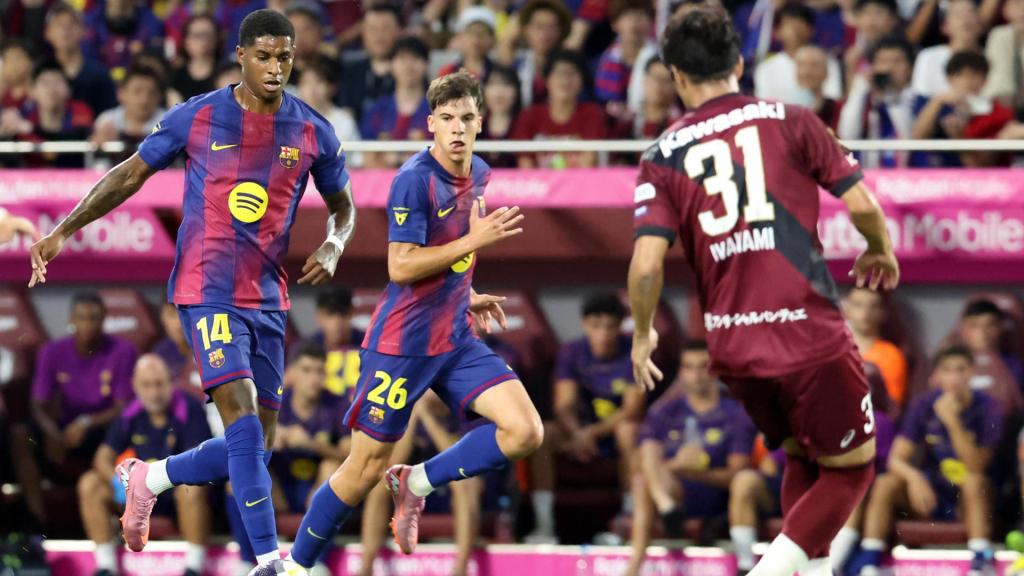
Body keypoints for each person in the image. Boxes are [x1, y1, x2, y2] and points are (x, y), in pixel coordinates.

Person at [28, 10, 357, 576]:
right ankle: (268, 562)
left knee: (254, 447)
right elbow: (130, 173)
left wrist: (334, 243)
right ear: (241, 56)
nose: (275, 67)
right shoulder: (199, 115)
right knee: (244, 425)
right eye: (264, 56)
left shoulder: (312, 131)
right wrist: (63, 230)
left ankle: (150, 476)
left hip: (268, 299)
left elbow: (344, 207)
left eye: (284, 57)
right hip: (205, 288)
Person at [629, 9, 899, 576]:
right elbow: (863, 206)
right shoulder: (792, 119)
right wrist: (879, 249)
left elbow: (647, 264)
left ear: (676, 75)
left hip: (733, 347)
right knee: (852, 470)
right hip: (806, 334)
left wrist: (644, 332)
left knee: (805, 456)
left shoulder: (660, 155)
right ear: (739, 62)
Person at [284, 70, 543, 570]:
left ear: (481, 122)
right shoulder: (413, 180)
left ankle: (416, 482)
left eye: (466, 117)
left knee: (525, 431)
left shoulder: (480, 172)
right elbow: (400, 266)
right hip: (401, 345)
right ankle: (295, 565)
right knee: (363, 468)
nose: (457, 128)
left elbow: (450, 252)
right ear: (431, 124)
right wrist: (474, 241)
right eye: (447, 118)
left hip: (455, 337)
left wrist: (464, 294)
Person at [847, 346, 1001, 576]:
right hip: (931, 492)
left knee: (974, 482)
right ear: (937, 375)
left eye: (961, 370)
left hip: (968, 498)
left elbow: (977, 466)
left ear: (972, 373)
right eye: (947, 370)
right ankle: (870, 560)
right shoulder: (924, 404)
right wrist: (915, 477)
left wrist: (952, 421)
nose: (954, 377)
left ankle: (980, 561)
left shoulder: (988, 407)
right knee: (886, 483)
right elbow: (896, 459)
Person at [626, 340, 756, 576]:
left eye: (703, 366)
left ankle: (635, 566)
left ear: (715, 370)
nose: (696, 375)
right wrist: (677, 465)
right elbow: (635, 467)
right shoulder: (663, 411)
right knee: (645, 461)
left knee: (644, 480)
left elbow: (737, 476)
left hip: (715, 499)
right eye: (689, 367)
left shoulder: (736, 414)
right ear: (681, 372)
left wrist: (694, 470)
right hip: (674, 492)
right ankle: (665, 508)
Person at [9, 293, 138, 528]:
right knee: (21, 436)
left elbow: (123, 407)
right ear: (72, 320)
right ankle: (37, 521)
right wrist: (50, 431)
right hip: (61, 433)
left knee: (123, 435)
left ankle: (125, 520)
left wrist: (86, 423)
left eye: (94, 318)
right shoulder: (52, 351)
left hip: (102, 429)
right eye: (82, 318)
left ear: (104, 320)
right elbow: (37, 404)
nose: (88, 324)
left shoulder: (122, 351)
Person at [525, 292, 644, 544]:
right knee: (543, 433)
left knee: (628, 430)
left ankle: (629, 520)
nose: (603, 334)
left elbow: (632, 408)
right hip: (576, 433)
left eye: (610, 326)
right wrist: (578, 433)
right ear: (584, 325)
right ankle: (544, 523)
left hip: (611, 435)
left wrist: (592, 433)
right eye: (596, 326)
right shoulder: (572, 352)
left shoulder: (633, 352)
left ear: (620, 327)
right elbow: (564, 404)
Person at [78, 355, 212, 576]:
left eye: (159, 384)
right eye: (146, 385)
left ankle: (194, 567)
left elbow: (198, 462)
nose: (153, 392)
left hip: (176, 490)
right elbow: (102, 456)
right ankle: (106, 566)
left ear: (171, 382)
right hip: (139, 495)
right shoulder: (131, 412)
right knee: (89, 483)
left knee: (192, 488)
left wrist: (160, 482)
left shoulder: (189, 408)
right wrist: (119, 482)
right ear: (135, 386)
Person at [230, 343, 350, 576]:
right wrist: (270, 440)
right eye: (307, 370)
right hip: (280, 491)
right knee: (239, 474)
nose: (314, 378)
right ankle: (246, 561)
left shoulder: (336, 403)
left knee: (332, 468)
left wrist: (310, 444)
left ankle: (318, 563)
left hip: (315, 492)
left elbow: (350, 455)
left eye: (320, 371)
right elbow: (242, 447)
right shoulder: (273, 404)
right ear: (292, 372)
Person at [911, 51, 1013, 168]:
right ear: (949, 79)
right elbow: (917, 137)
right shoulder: (936, 105)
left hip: (972, 176)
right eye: (960, 75)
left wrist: (958, 137)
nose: (967, 81)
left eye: (974, 75)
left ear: (985, 80)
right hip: (934, 173)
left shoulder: (998, 113)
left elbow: (982, 166)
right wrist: (937, 101)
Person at [511, 50, 606, 169]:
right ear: (546, 80)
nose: (565, 79)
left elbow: (588, 164)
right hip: (539, 181)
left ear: (582, 81)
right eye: (559, 73)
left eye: (572, 73)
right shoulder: (529, 116)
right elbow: (526, 166)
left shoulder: (591, 113)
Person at [838, 36, 917, 168]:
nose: (888, 68)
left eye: (896, 61)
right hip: (868, 174)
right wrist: (859, 90)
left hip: (907, 175)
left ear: (910, 68)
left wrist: (890, 96)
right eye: (882, 61)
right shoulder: (865, 99)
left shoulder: (917, 99)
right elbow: (847, 134)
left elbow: (909, 137)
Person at [4, 60, 94, 168]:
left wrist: (32, 129)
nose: (52, 89)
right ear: (32, 91)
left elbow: (78, 137)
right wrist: (5, 133)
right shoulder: (24, 115)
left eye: (57, 82)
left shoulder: (80, 110)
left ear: (68, 89)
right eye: (45, 83)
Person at [360, 36, 432, 169]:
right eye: (402, 58)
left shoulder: (439, 112)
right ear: (391, 65)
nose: (408, 65)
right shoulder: (377, 111)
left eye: (415, 58)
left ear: (426, 64)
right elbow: (368, 160)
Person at [753, 2, 842, 105]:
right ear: (777, 32)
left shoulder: (828, 63)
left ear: (811, 30)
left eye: (800, 24)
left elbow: (833, 99)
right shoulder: (766, 68)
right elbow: (764, 106)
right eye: (788, 24)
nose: (795, 30)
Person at [44, 3, 118, 116]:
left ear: (84, 31)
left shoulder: (99, 74)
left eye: (71, 25)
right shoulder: (42, 72)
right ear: (47, 33)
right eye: (59, 25)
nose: (65, 31)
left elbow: (110, 114)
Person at [843, 287, 908, 410]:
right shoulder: (831, 351)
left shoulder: (892, 355)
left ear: (882, 312)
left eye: (873, 306)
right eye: (858, 305)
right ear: (846, 309)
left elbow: (894, 406)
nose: (865, 313)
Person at [91, 65, 167, 167]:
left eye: (151, 93)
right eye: (137, 91)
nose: (144, 99)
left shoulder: (167, 121)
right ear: (121, 93)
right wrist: (100, 142)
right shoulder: (107, 120)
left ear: (160, 96)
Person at [595, 0, 657, 121]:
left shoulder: (661, 60)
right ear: (614, 24)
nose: (635, 23)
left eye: (641, 15)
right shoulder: (601, 62)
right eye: (629, 16)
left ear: (651, 23)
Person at [337, 4, 400, 120]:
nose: (379, 35)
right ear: (363, 33)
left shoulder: (409, 71)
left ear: (398, 32)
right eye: (373, 29)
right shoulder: (351, 73)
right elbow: (346, 115)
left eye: (386, 28)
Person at [296, 56, 361, 168]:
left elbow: (357, 160)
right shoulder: (287, 119)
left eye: (318, 82)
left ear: (332, 87)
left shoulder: (344, 120)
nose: (312, 89)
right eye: (306, 83)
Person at [506, 0, 572, 107]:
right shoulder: (517, 63)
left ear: (561, 31)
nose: (544, 34)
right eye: (538, 26)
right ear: (526, 29)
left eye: (551, 27)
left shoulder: (571, 64)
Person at [911, 0, 983, 98]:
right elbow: (920, 98)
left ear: (980, 23)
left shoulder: (992, 54)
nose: (965, 20)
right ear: (944, 27)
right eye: (958, 15)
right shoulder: (928, 57)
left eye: (970, 13)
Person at [81, 0, 165, 81]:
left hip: (136, 81)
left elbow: (157, 63)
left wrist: (144, 52)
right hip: (98, 81)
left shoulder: (152, 23)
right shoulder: (89, 22)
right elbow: (84, 62)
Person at [167, 14, 220, 107]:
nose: (203, 41)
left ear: (216, 39)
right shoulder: (175, 76)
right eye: (197, 36)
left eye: (207, 35)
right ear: (186, 41)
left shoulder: (225, 72)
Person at [983, 0, 1024, 112]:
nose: (1023, 10)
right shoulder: (999, 35)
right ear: (1005, 10)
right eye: (1018, 4)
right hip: (997, 102)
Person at [437, 6, 498, 80]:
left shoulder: (500, 72)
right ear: (460, 36)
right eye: (471, 32)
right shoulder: (448, 72)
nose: (476, 39)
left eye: (483, 33)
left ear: (492, 39)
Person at [479, 65, 521, 169]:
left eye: (506, 84)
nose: (499, 93)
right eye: (492, 84)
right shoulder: (475, 128)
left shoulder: (524, 126)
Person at [793, 46, 843, 130]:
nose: (806, 71)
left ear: (826, 72)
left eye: (814, 65)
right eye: (801, 65)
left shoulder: (838, 110)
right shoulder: (786, 110)